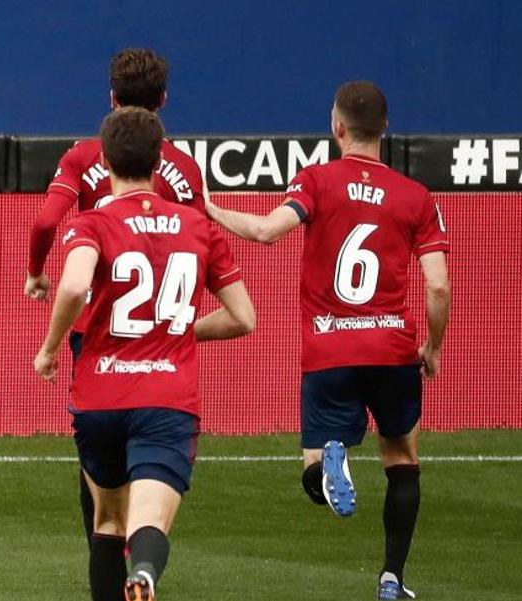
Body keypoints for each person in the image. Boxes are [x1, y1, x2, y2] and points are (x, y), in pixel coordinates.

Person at [204, 81, 450, 600]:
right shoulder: (417, 197)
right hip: (392, 350)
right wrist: (432, 347)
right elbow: (438, 284)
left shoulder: (316, 182)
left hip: (329, 350)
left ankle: (329, 461)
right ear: (385, 129)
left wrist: (212, 210)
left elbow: (268, 231)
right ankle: (391, 578)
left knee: (312, 471)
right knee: (403, 460)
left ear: (337, 127)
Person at [35, 107, 255, 601]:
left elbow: (72, 286)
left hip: (101, 397)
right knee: (149, 521)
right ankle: (146, 573)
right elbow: (244, 318)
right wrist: (176, 332)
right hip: (166, 398)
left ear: (105, 160)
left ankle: (126, 582)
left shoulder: (90, 223)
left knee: (108, 521)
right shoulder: (197, 227)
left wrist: (50, 348)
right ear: (160, 161)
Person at [25, 47, 213, 544]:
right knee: (152, 443)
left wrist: (35, 271)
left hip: (98, 324)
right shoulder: (184, 168)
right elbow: (201, 239)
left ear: (111, 98)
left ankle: (105, 544)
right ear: (164, 101)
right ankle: (144, 550)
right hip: (160, 329)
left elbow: (46, 219)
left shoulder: (87, 154)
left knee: (100, 451)